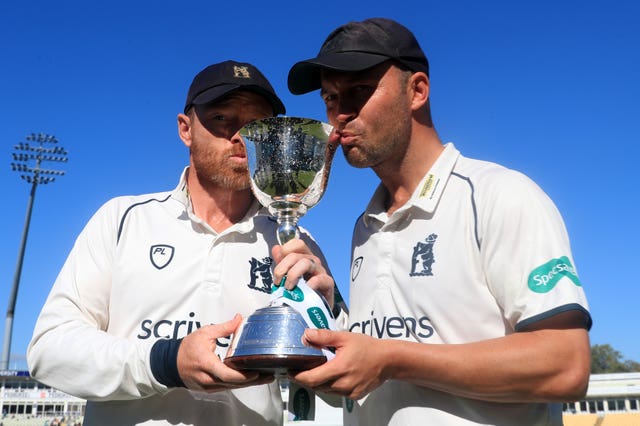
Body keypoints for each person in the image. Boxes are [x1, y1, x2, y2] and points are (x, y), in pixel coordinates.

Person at [286, 18, 592, 426]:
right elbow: (386, 349)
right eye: (329, 97)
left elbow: (566, 365)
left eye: (359, 91)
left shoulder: (498, 194)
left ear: (417, 91)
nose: (340, 114)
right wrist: (330, 308)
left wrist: (392, 360)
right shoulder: (366, 226)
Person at [27, 59, 337, 426]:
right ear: (185, 129)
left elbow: (339, 379)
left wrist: (325, 310)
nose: (240, 136)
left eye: (256, 124)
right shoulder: (123, 219)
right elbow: (49, 351)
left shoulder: (298, 241)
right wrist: (166, 362)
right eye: (222, 118)